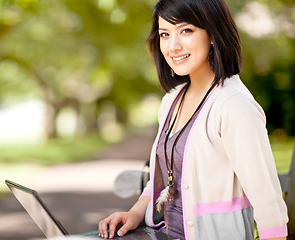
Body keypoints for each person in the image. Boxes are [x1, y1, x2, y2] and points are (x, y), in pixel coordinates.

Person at [98, 0, 289, 239]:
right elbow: (163, 179)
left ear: (212, 33)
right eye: (165, 34)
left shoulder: (234, 106)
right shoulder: (172, 100)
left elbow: (268, 202)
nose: (173, 46)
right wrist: (134, 214)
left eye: (186, 31)